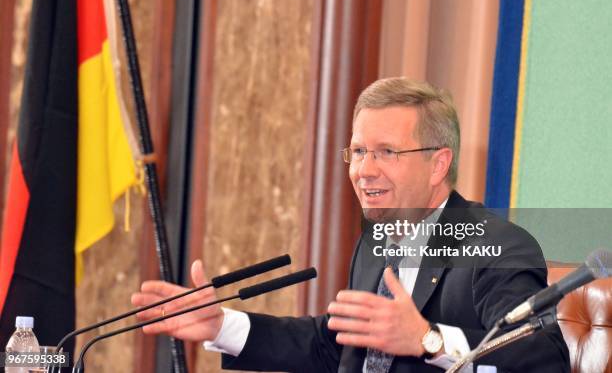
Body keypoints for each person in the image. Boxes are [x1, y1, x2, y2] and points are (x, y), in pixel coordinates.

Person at [132, 78, 570, 372]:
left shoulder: (496, 245)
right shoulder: (377, 243)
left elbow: (542, 360)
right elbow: (332, 345)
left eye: (385, 153)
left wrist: (429, 341)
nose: (364, 170)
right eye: (358, 152)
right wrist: (220, 326)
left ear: (439, 164)